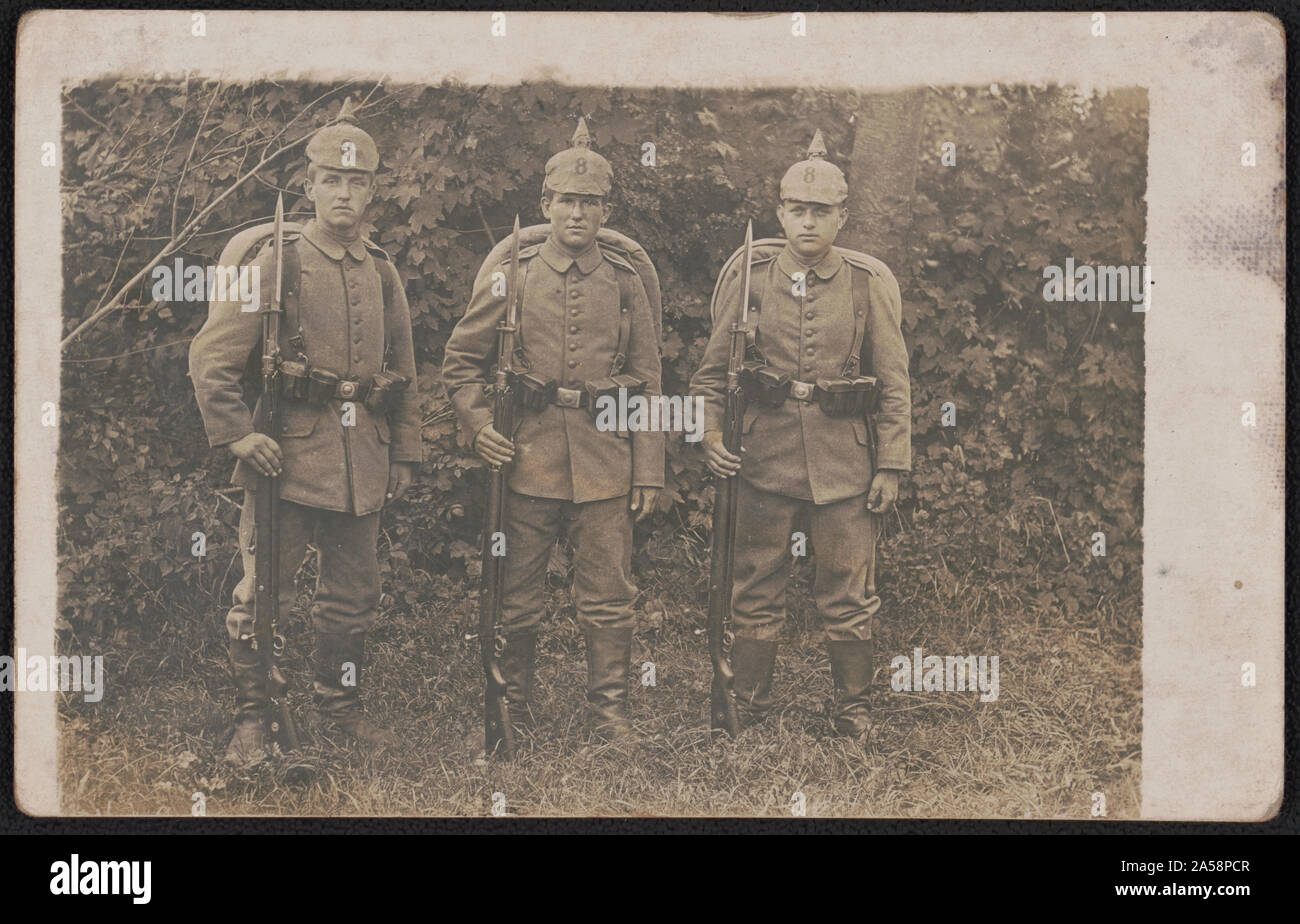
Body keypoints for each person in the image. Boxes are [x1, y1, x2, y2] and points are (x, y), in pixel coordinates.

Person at [189, 101, 421, 765]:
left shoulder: (381, 270)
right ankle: (253, 722)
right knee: (263, 596)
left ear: (372, 192)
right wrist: (236, 436)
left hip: (361, 466)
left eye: (356, 183)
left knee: (352, 602)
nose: (343, 194)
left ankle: (339, 711)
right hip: (282, 461)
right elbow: (211, 356)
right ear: (310, 186)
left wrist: (403, 450)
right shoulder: (278, 263)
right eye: (331, 181)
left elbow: (402, 367)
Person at [442, 118, 663, 742]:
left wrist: (648, 466)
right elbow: (460, 362)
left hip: (605, 462)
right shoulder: (513, 271)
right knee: (516, 592)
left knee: (609, 593)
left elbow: (648, 379)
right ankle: (512, 704)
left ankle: (610, 714)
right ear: (546, 205)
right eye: (566, 200)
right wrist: (479, 423)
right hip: (526, 457)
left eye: (590, 202)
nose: (577, 213)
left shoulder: (624, 282)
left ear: (606, 210)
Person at [691, 130, 912, 738]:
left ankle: (852, 708)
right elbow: (711, 376)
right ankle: (751, 704)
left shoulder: (865, 285)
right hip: (761, 458)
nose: (808, 222)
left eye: (821, 212)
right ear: (780, 213)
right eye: (798, 210)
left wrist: (890, 465)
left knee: (847, 590)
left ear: (843, 217)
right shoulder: (753, 280)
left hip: (847, 465)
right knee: (756, 583)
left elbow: (894, 382)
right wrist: (709, 433)